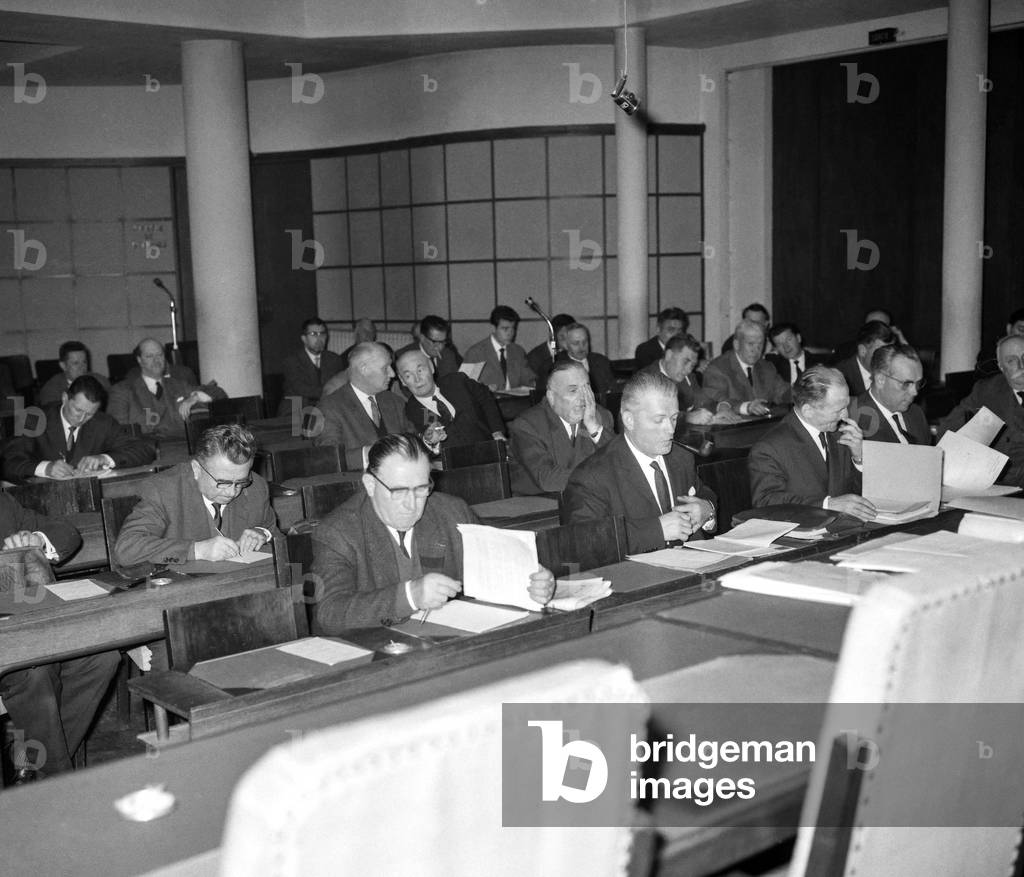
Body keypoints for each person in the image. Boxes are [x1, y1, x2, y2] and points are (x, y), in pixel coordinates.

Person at [310, 434, 555, 632]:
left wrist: (531, 581)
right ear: (370, 485)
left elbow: (498, 568)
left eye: (421, 489)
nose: (411, 504)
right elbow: (330, 613)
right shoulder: (338, 532)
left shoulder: (452, 512)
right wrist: (410, 595)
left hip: (445, 646)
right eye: (398, 491)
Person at [0, 494, 118, 782]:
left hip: (24, 628)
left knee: (102, 657)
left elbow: (66, 532)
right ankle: (57, 783)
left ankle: (27, 758)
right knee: (34, 673)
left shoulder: (3, 503)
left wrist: (37, 539)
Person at [563, 371, 717, 554]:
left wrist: (707, 509)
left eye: (674, 418)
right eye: (659, 420)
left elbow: (704, 494)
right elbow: (584, 542)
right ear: (629, 420)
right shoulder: (592, 476)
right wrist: (656, 530)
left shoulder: (681, 457)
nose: (670, 430)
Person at [113, 423, 278, 568]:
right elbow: (127, 550)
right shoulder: (162, 490)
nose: (232, 492)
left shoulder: (256, 486)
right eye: (222, 482)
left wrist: (261, 533)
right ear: (196, 469)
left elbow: (272, 530)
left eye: (240, 482)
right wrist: (197, 550)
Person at [748, 365, 875, 519]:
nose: (845, 415)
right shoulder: (770, 449)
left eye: (846, 406)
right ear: (808, 411)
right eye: (838, 410)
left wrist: (858, 458)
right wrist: (827, 505)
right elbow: (766, 502)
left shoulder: (841, 434)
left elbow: (861, 497)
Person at [2, 375, 154, 483]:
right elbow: (8, 462)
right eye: (78, 410)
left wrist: (104, 458)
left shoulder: (103, 422)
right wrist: (46, 468)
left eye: (89, 414)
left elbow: (144, 450)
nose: (81, 419)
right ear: (65, 398)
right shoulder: (32, 418)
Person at [508, 360, 613, 495]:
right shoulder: (527, 426)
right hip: (540, 504)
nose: (583, 398)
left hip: (589, 500)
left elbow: (622, 463)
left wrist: (594, 428)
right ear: (551, 397)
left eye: (587, 389)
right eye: (573, 390)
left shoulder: (601, 417)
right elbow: (548, 479)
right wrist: (600, 477)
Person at [939, 334, 1024, 486]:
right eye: (1012, 361)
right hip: (998, 485)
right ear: (1001, 367)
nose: (1021, 366)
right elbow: (948, 431)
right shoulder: (988, 390)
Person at [312, 342, 414, 469]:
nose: (392, 374)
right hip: (357, 484)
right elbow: (329, 459)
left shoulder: (394, 401)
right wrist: (370, 453)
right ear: (364, 369)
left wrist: (427, 440)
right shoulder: (328, 409)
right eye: (385, 368)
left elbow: (411, 438)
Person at [107, 337, 226, 438]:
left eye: (160, 355)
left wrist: (195, 397)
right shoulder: (122, 390)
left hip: (181, 451)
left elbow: (219, 394)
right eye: (149, 356)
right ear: (139, 360)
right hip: (146, 455)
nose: (156, 360)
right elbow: (117, 434)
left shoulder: (178, 385)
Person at [396, 349, 505, 452]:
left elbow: (486, 398)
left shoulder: (457, 381)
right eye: (408, 375)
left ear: (431, 368)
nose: (417, 379)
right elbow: (420, 448)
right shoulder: (410, 413)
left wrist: (496, 432)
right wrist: (430, 441)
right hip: (452, 466)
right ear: (403, 381)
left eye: (420, 370)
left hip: (489, 449)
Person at [702, 319, 791, 415]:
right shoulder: (718, 369)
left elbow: (783, 391)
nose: (756, 350)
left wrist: (802, 396)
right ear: (736, 344)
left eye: (760, 345)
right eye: (751, 344)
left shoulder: (767, 367)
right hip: (734, 426)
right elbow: (716, 403)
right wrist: (747, 407)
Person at [849, 344, 930, 444]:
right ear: (880, 380)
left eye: (918, 383)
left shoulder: (916, 414)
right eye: (906, 384)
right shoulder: (854, 420)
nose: (915, 392)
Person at [641, 334, 714, 424]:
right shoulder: (645, 379)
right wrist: (688, 417)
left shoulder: (689, 377)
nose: (688, 370)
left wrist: (721, 409)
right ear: (669, 355)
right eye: (685, 362)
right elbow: (655, 416)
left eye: (692, 365)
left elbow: (705, 402)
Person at [278, 317, 345, 413]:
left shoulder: (334, 359)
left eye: (322, 334)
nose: (319, 338)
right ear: (304, 338)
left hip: (327, 409)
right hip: (297, 409)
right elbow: (302, 389)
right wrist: (331, 391)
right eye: (313, 334)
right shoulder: (292, 361)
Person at [463, 305, 536, 390]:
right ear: (493, 328)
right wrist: (485, 389)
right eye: (505, 329)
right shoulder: (475, 353)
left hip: (514, 401)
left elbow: (529, 380)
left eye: (513, 328)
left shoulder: (518, 351)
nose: (510, 333)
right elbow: (465, 385)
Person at [537, 322, 616, 399]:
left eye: (585, 342)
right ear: (566, 345)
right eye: (576, 343)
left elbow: (613, 391)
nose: (581, 347)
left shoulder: (601, 361)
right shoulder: (553, 365)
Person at [36, 341, 110, 408]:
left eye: (84, 362)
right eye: (76, 363)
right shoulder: (52, 390)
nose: (82, 367)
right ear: (63, 366)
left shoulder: (101, 382)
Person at [833, 320, 896, 397]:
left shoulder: (895, 373)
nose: (888, 357)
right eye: (881, 352)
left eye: (891, 351)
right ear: (862, 351)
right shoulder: (839, 376)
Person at [395, 315, 462, 379]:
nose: (439, 346)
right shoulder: (402, 356)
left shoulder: (448, 354)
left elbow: (454, 384)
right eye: (434, 341)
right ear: (422, 338)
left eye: (443, 341)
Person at [526, 312, 576, 377]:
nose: (567, 342)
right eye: (562, 337)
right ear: (552, 335)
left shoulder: (574, 353)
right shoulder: (534, 358)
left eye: (570, 337)